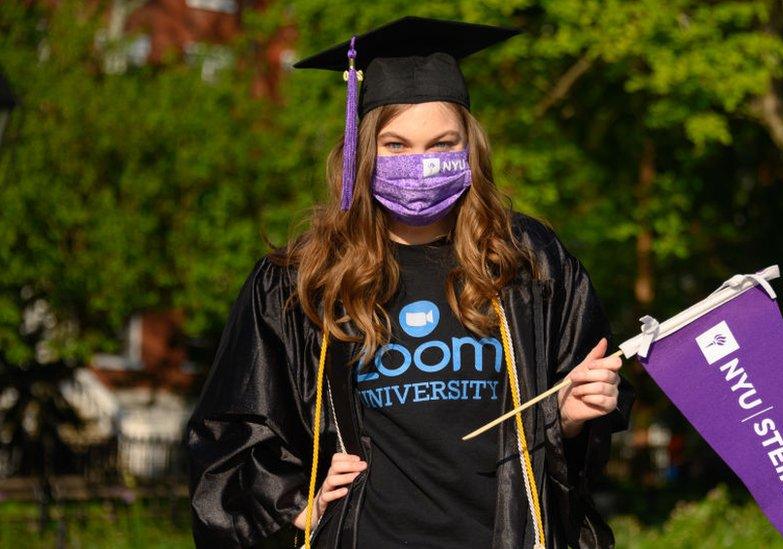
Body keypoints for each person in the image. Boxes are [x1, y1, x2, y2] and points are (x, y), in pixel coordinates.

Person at [184, 15, 635, 549]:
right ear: (364, 150)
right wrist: (293, 504)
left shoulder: (527, 264)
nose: (420, 165)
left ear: (471, 148)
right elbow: (231, 427)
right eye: (397, 146)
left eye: (442, 144)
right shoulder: (303, 280)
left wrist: (571, 416)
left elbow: (577, 429)